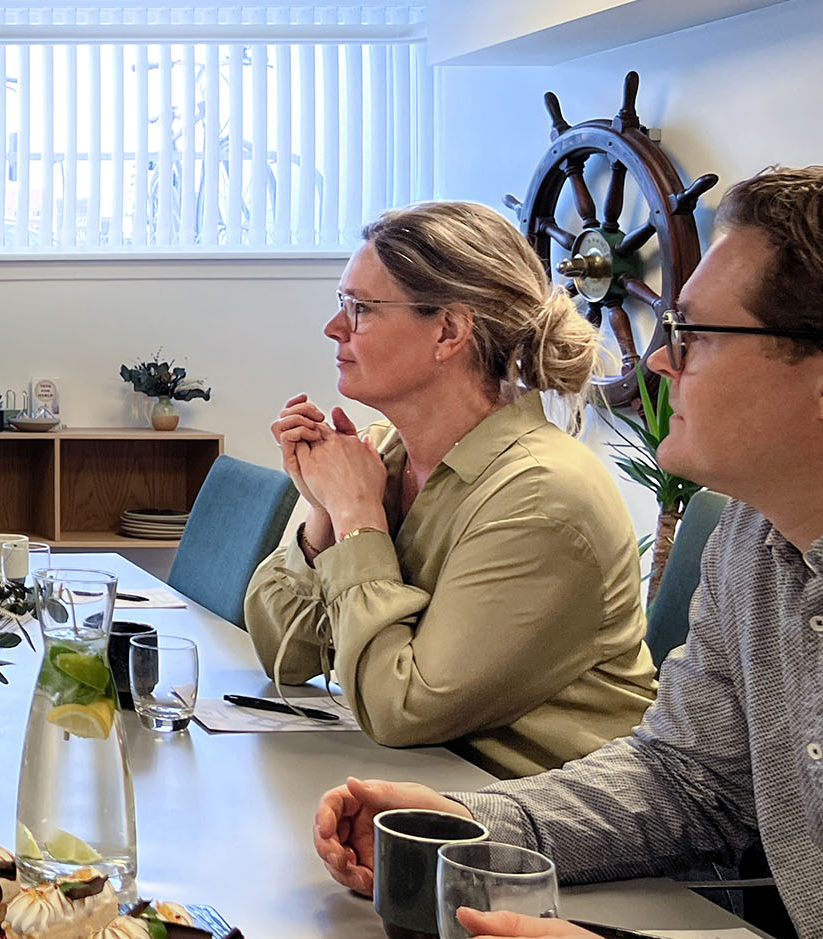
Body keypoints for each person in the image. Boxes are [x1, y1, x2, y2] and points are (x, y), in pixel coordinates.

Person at [310, 166, 823, 939]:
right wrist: (472, 823)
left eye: (695, 333)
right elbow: (688, 778)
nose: (659, 362)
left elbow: (405, 702)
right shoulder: (756, 539)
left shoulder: (546, 487)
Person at [244, 200, 656, 776]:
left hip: (526, 819)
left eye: (360, 308)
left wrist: (357, 515)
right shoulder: (386, 455)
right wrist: (325, 514)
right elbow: (283, 654)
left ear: (448, 331)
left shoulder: (543, 496)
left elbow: (401, 709)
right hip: (422, 782)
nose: (334, 328)